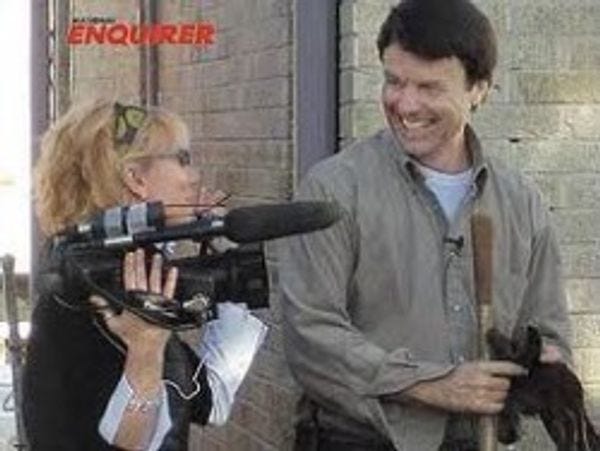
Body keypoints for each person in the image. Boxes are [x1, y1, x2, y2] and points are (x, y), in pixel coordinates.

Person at [278, 0, 572, 450]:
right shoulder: (332, 190)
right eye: (394, 81)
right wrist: (429, 385)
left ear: (479, 89)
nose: (406, 104)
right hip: (356, 442)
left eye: (430, 87)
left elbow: (551, 336)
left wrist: (540, 369)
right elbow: (310, 337)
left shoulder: (522, 203)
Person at [23, 99, 267, 450]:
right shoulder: (108, 290)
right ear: (136, 178)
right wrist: (146, 354)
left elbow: (209, 398)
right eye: (182, 159)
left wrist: (222, 263)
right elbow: (134, 442)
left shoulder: (94, 271)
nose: (194, 176)